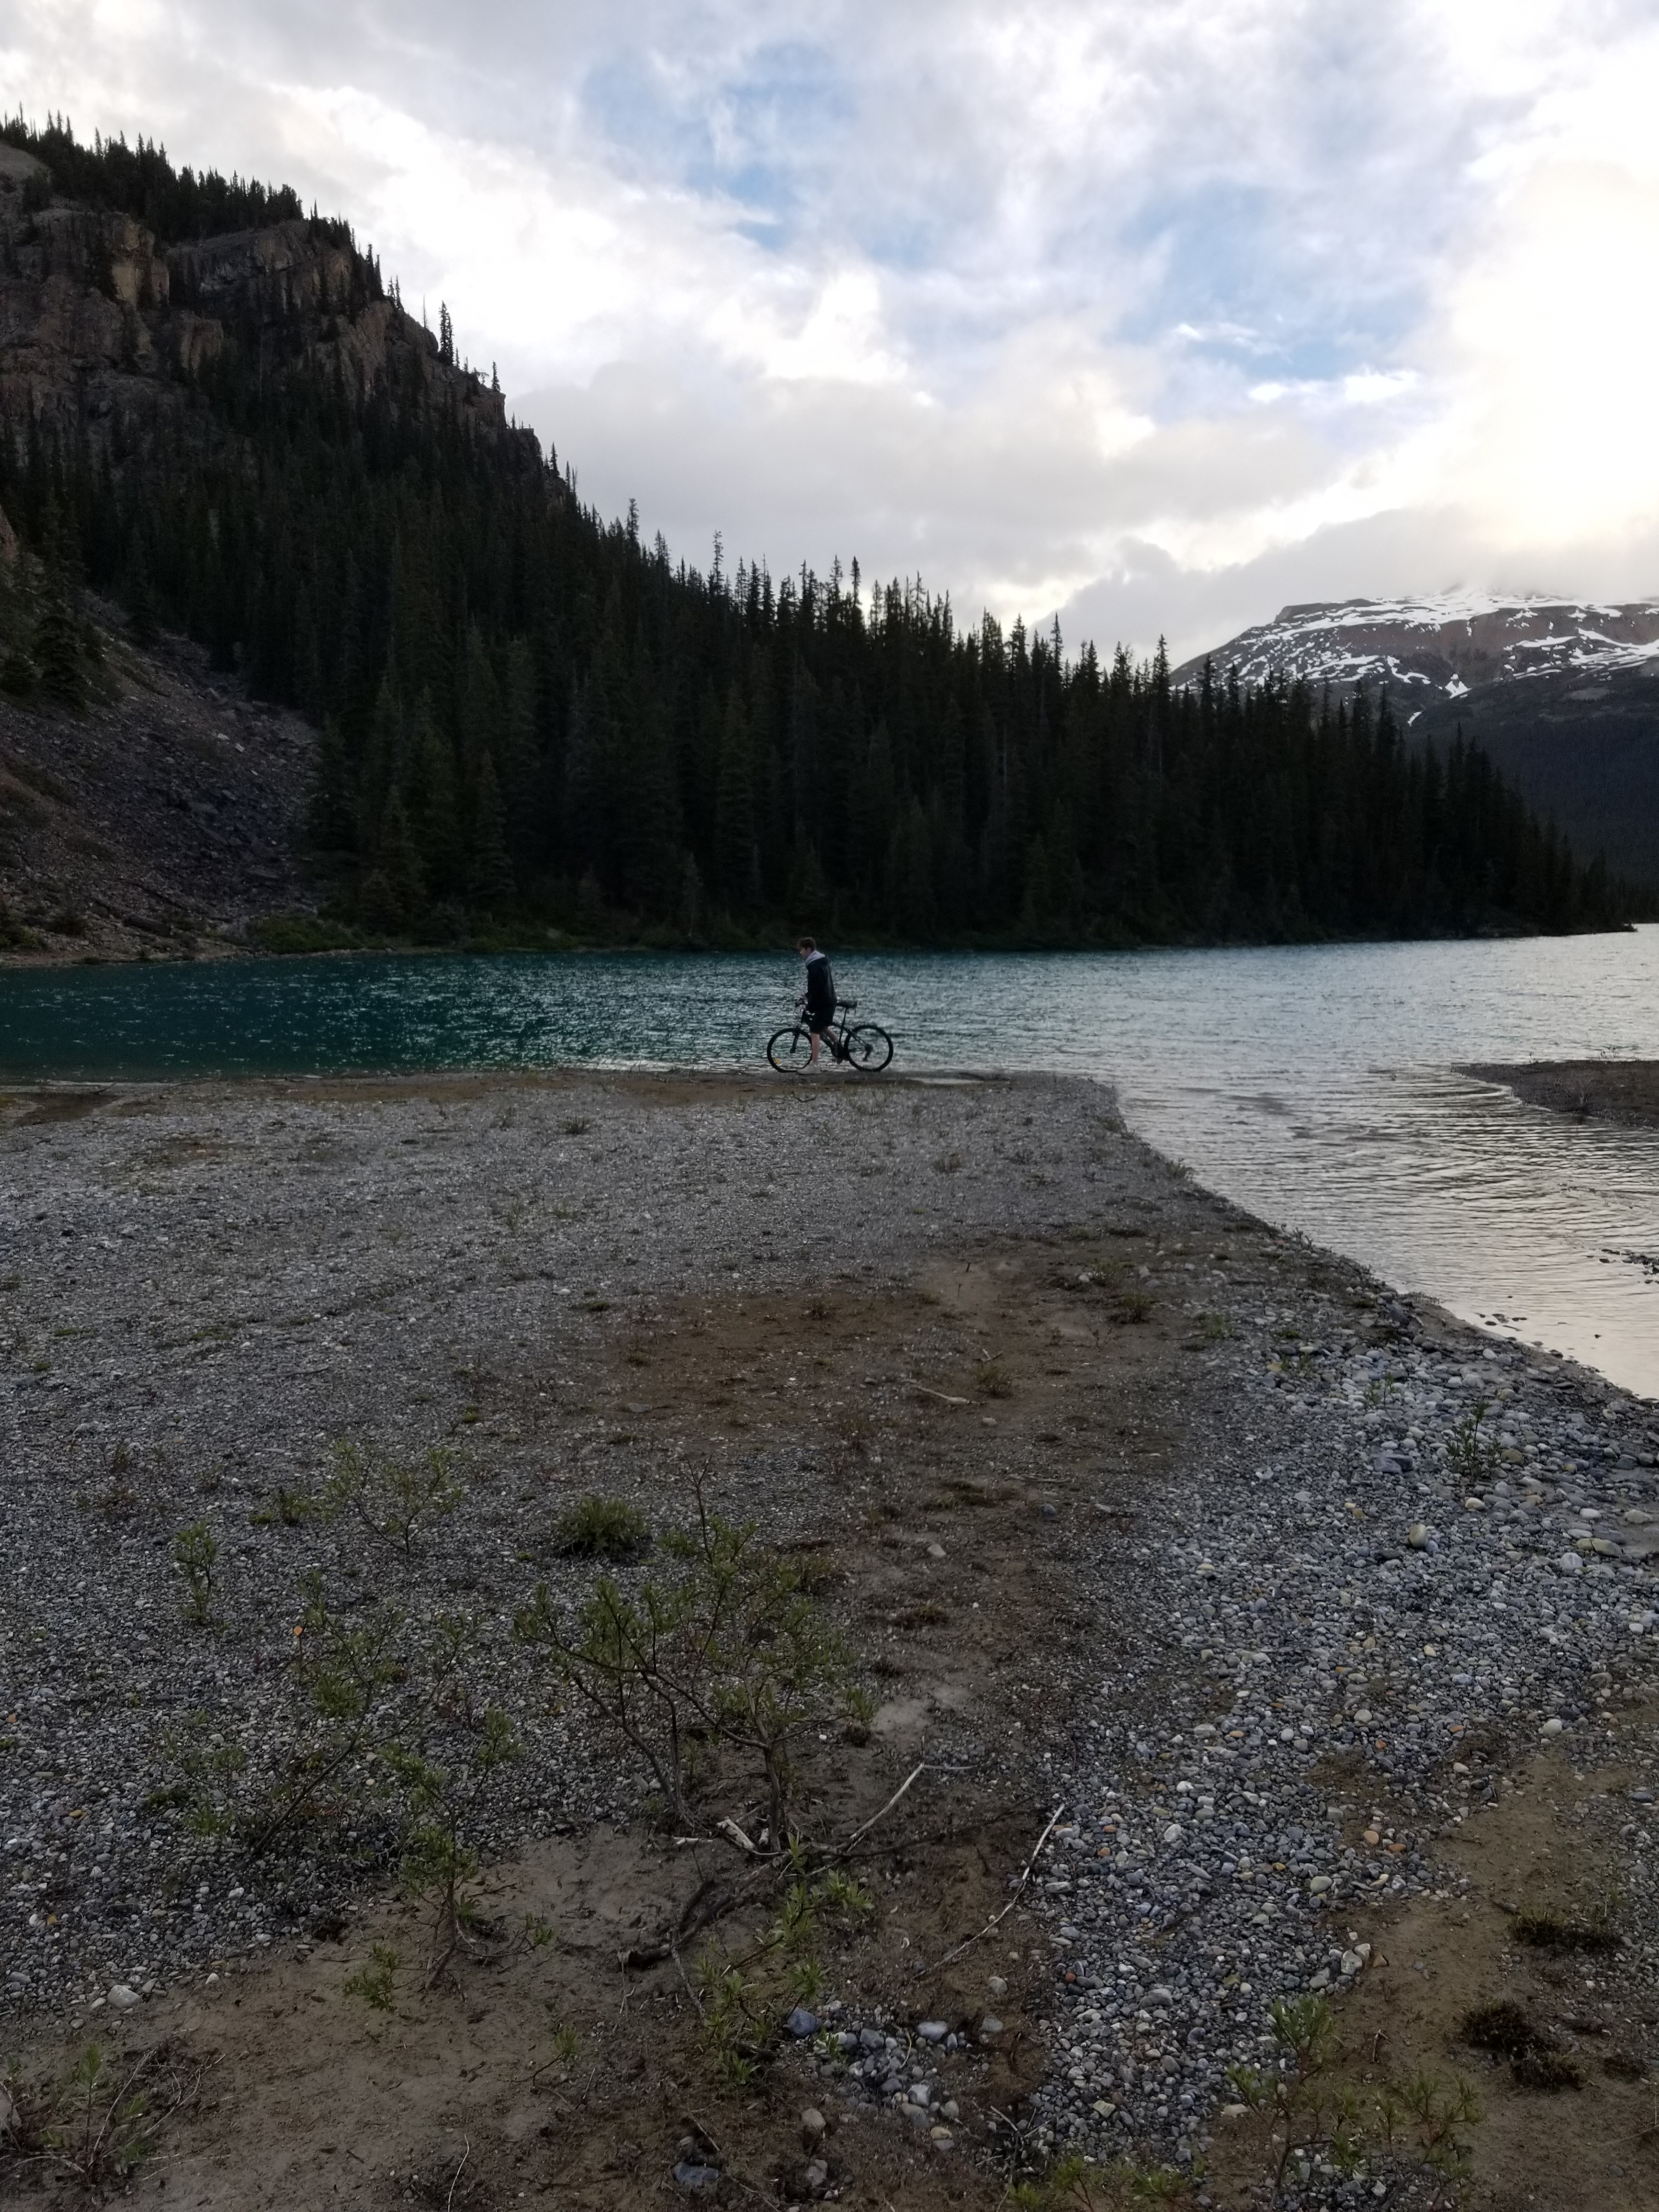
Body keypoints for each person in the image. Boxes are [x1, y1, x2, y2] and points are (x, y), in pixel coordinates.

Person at [797, 937, 837, 1066]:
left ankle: (814, 1065)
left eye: (802, 950)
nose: (801, 953)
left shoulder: (815, 966)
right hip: (829, 1000)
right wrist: (807, 996)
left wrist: (810, 1006)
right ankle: (839, 1048)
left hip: (825, 1003)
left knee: (814, 1032)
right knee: (822, 1027)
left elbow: (817, 989)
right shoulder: (820, 962)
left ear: (808, 950)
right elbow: (818, 986)